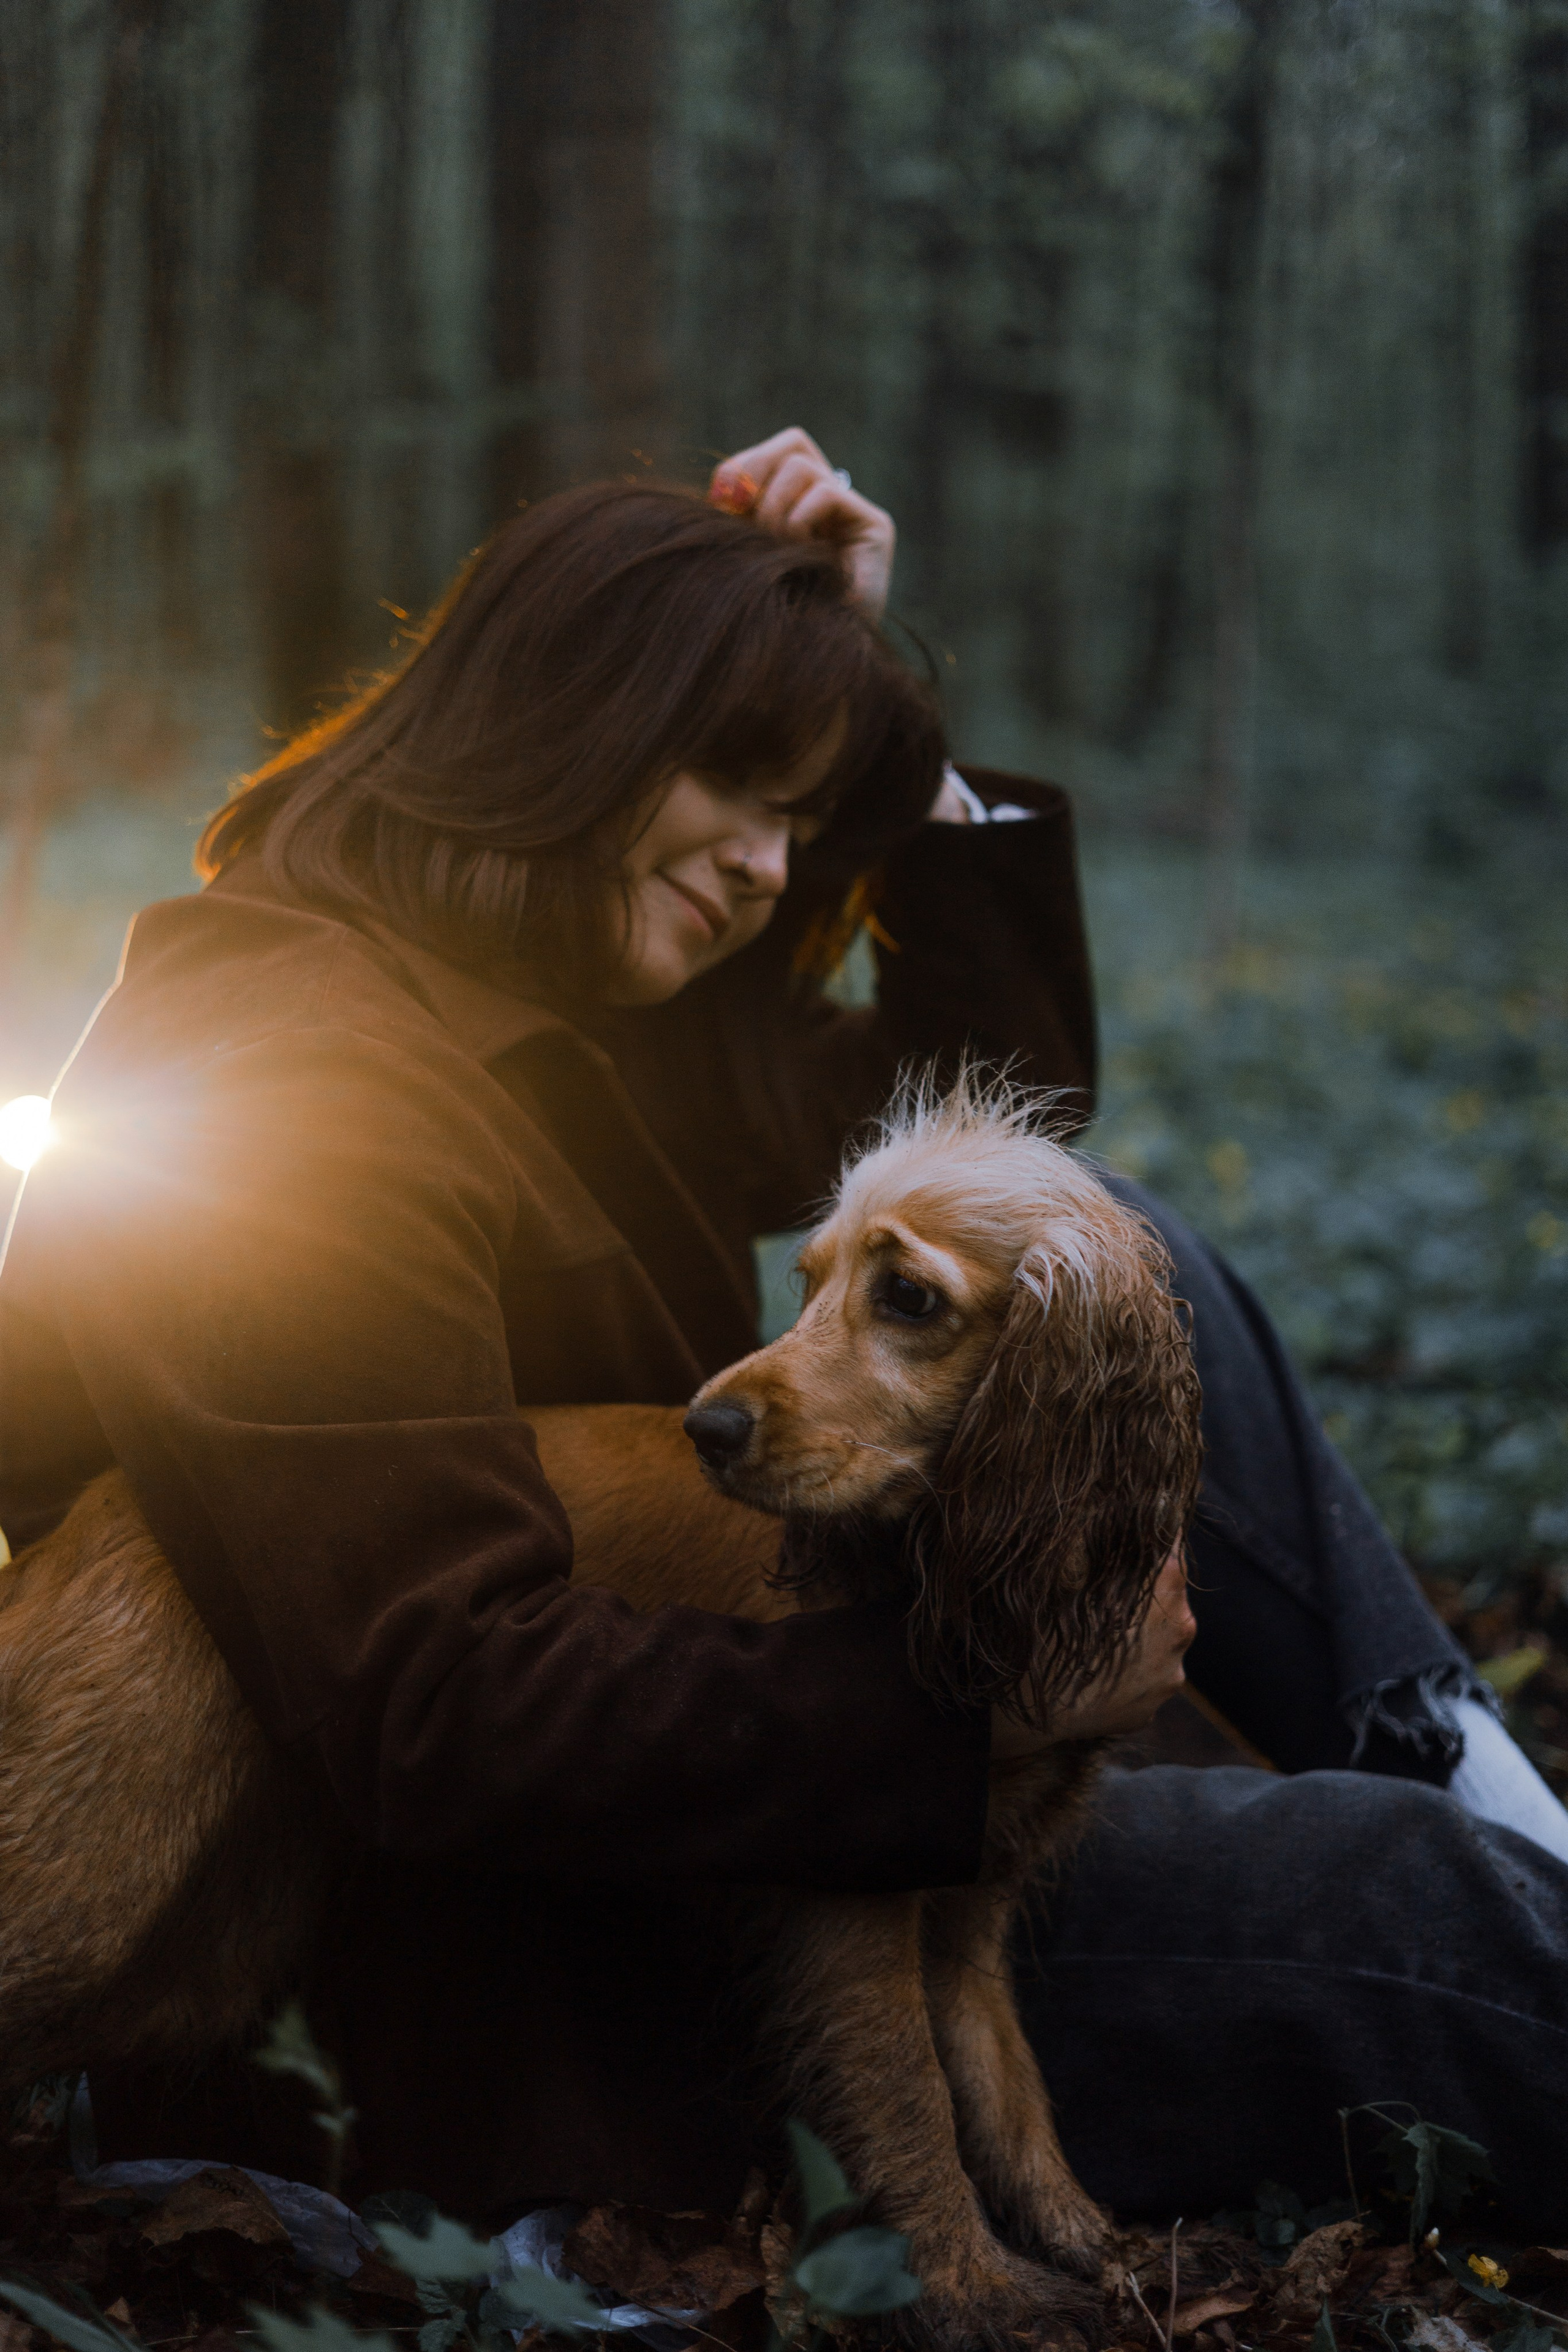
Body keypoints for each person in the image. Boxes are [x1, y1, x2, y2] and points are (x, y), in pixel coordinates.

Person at [0, 431, 1562, 2241]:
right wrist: (974, 1729)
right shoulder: (301, 1090)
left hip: (741, 1759)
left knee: (1139, 1268)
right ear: (563, 720)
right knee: (1430, 1924)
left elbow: (1006, 1121)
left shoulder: (521, 987)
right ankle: (1487, 1845)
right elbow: (437, 1707)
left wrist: (856, 690)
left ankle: (1470, 1775)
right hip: (589, 1934)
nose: (767, 867)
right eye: (741, 788)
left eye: (802, 821)